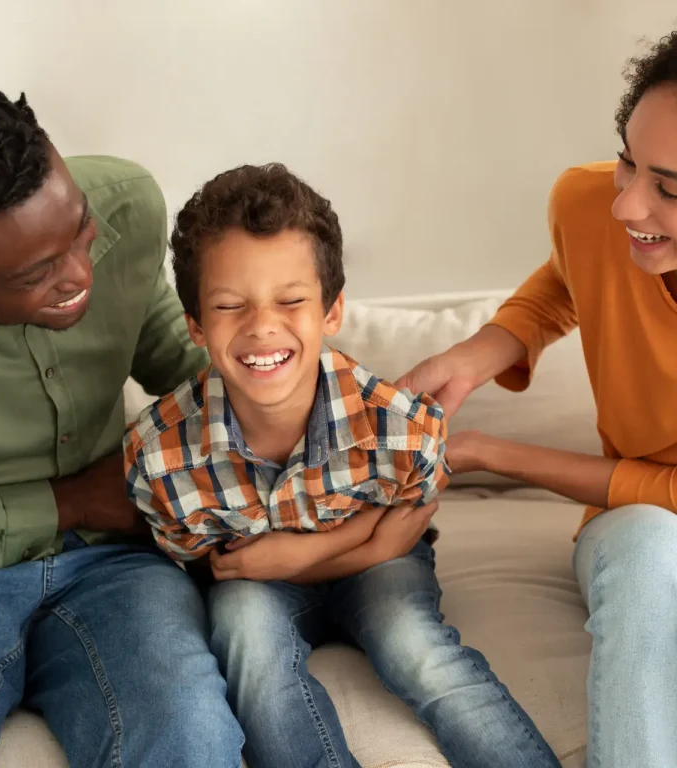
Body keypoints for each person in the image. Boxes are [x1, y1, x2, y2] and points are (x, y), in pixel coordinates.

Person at [124, 163, 562, 768]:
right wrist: (365, 541)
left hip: (378, 571)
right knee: (245, 627)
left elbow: (410, 516)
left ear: (331, 312)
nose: (261, 327)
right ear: (196, 324)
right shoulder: (159, 456)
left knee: (414, 645)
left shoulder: (400, 425)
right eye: (230, 305)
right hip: (260, 587)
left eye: (291, 301)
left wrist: (310, 554)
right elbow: (222, 570)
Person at [0, 83, 244, 768]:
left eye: (82, 233)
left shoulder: (126, 199)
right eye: (38, 271)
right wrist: (65, 502)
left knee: (191, 739)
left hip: (117, 561)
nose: (80, 273)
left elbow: (175, 361)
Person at [395, 30, 677, 768]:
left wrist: (492, 451)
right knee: (649, 544)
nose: (628, 205)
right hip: (641, 529)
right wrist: (473, 357)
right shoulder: (589, 205)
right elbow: (568, 280)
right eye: (626, 161)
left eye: (669, 188)